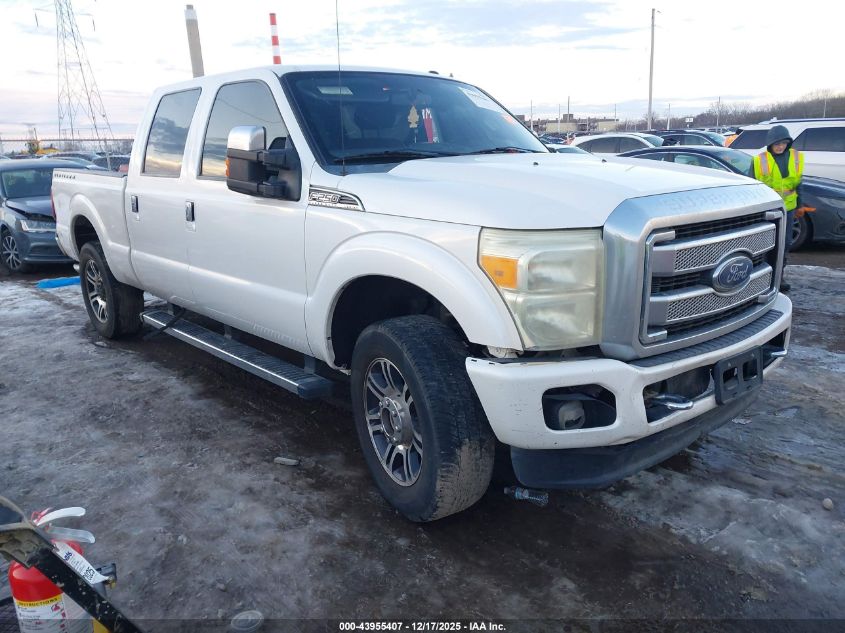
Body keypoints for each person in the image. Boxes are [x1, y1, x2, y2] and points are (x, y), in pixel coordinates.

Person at [751, 124, 804, 292]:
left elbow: (798, 183)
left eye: (783, 143)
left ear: (788, 143)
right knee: (766, 244)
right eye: (777, 143)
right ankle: (763, 277)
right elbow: (752, 185)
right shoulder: (760, 160)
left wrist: (800, 205)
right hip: (768, 210)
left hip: (788, 208)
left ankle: (779, 277)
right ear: (770, 144)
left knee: (785, 243)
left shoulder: (796, 157)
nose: (780, 146)